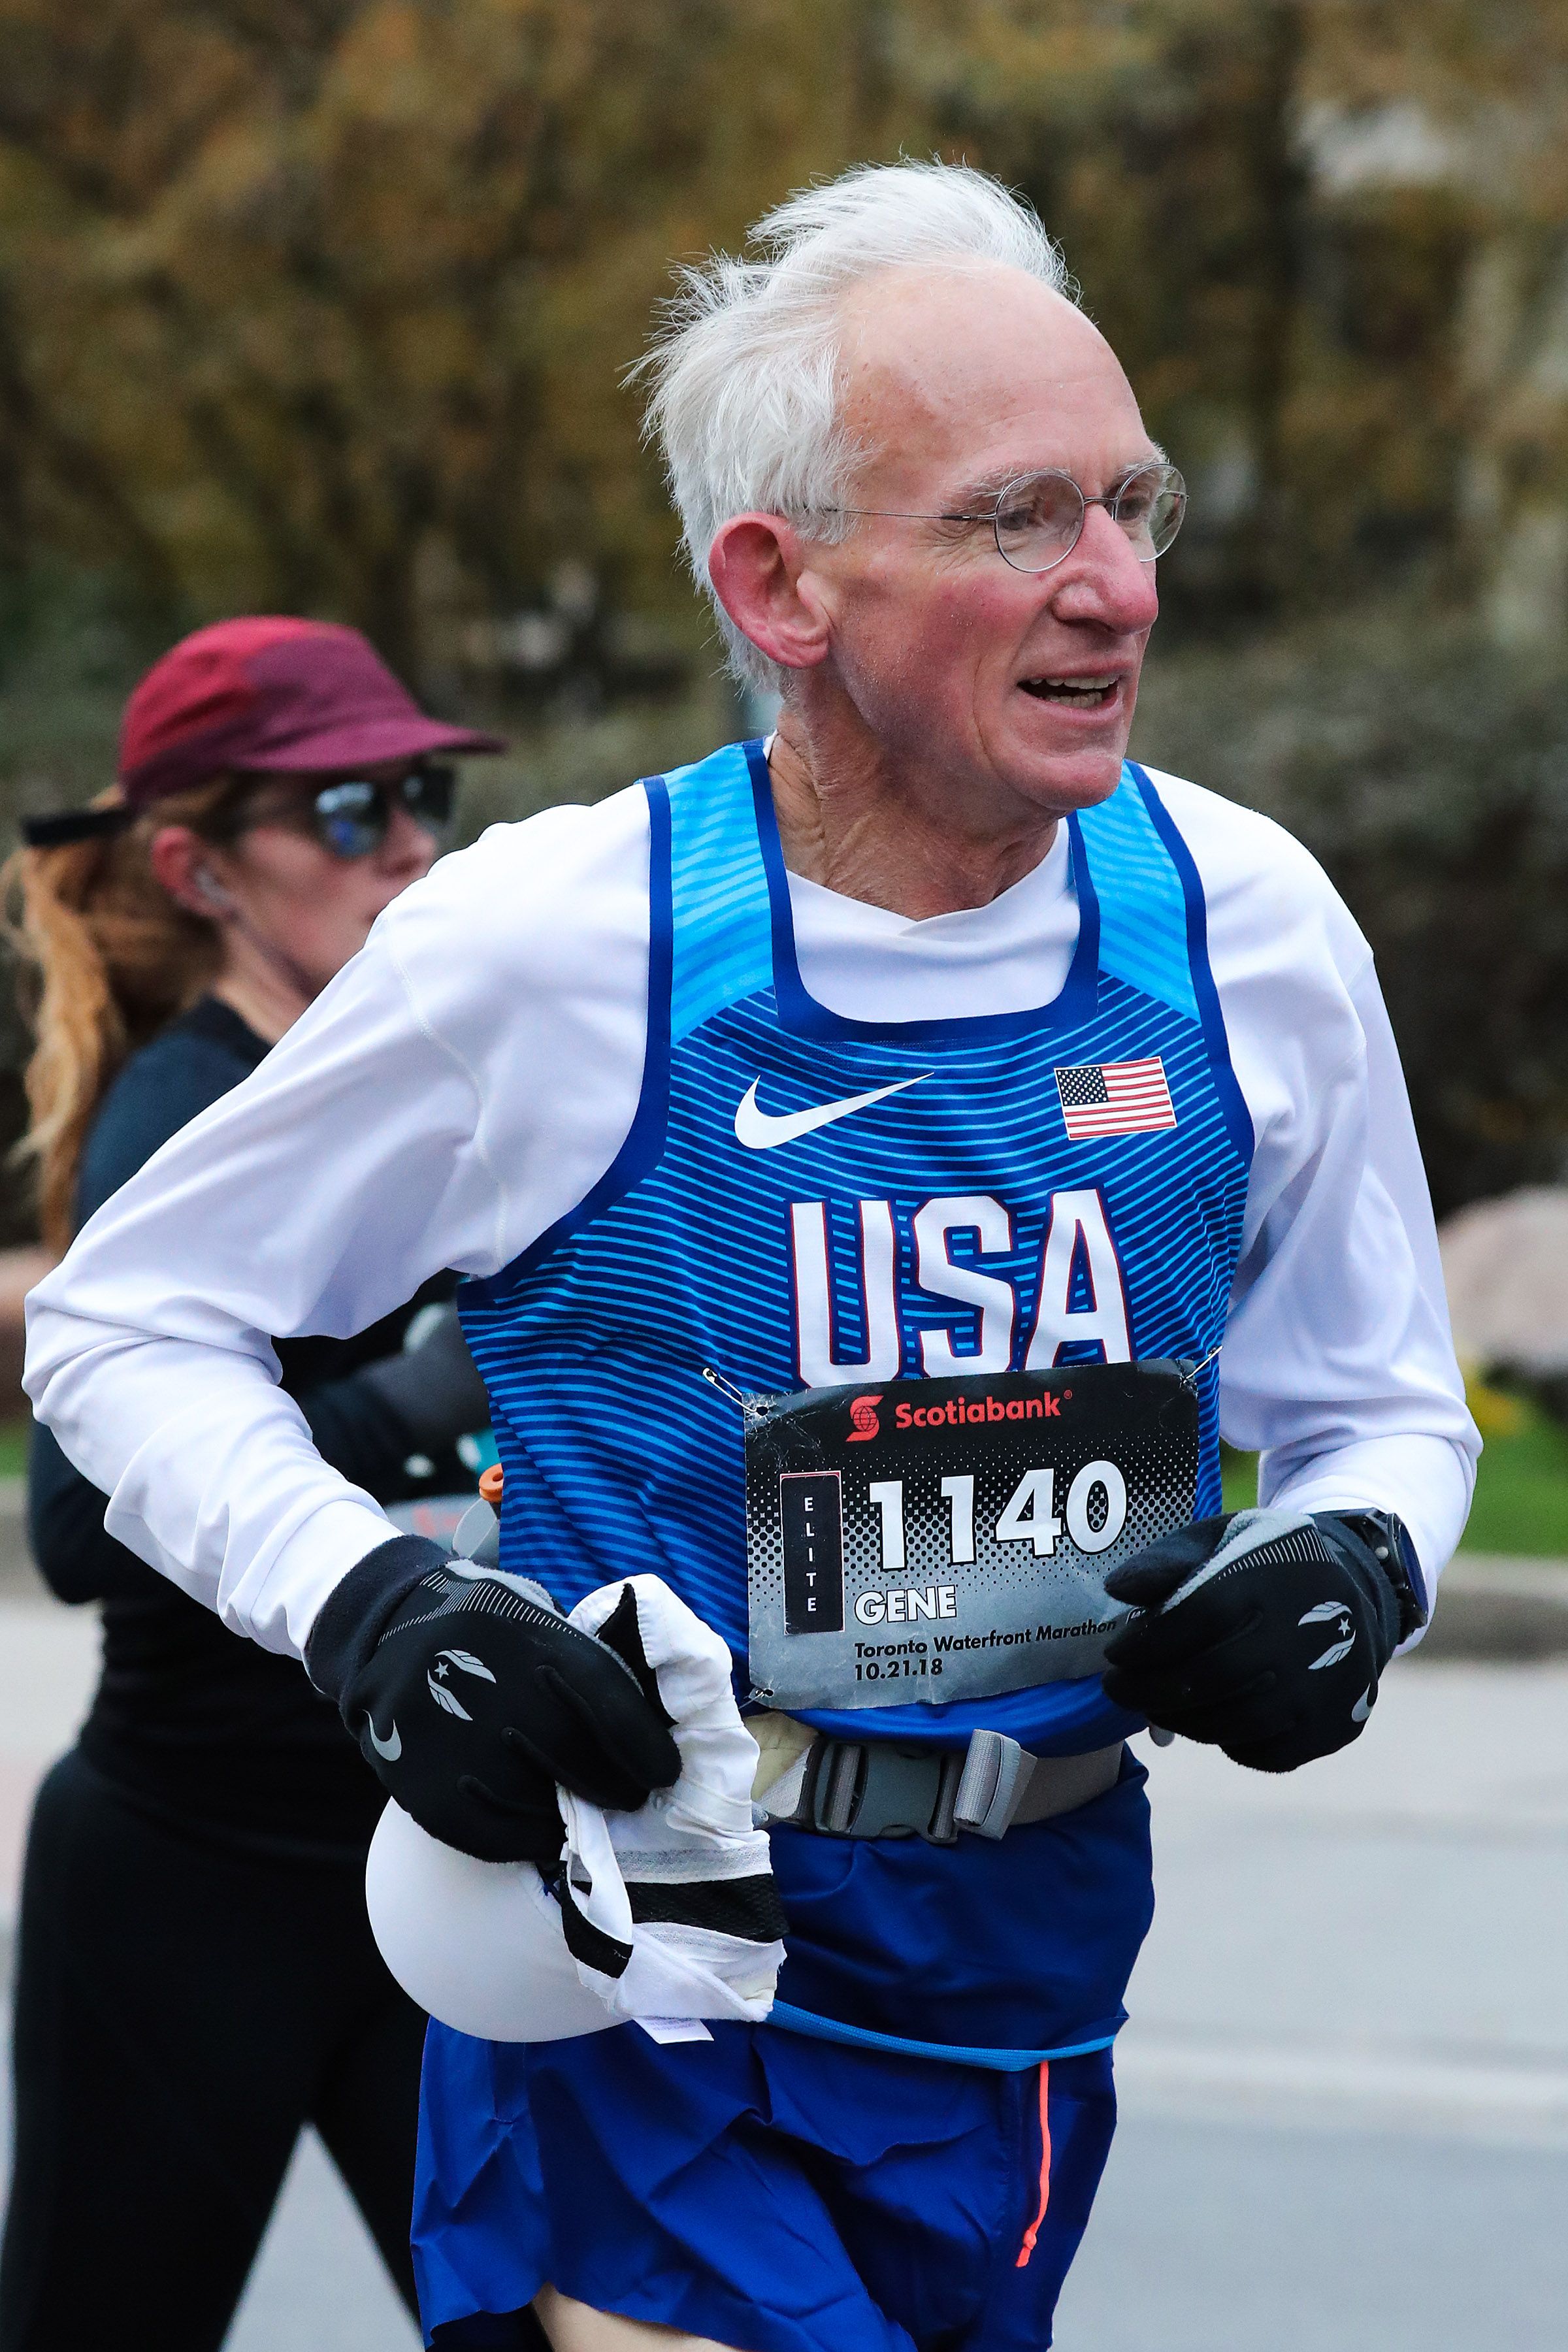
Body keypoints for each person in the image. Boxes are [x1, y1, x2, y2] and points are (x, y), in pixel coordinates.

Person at [24, 165, 1478, 2352]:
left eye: (1133, 505)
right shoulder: (565, 938)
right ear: (778, 585)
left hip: (1036, 1978)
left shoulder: (1247, 923)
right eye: (1017, 520)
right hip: (649, 1988)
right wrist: (376, 1610)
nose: (1115, 589)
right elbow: (131, 1324)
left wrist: (1358, 1564)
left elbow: (1382, 1406)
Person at [0, 616, 501, 2352]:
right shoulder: (185, 1110)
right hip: (190, 1886)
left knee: (529, 2328)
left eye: (421, 794)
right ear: (198, 865)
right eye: (350, 809)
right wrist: (417, 1393)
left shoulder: (428, 1089)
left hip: (423, 1873)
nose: (413, 842)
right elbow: (78, 1529)